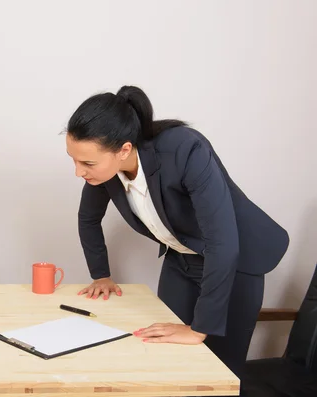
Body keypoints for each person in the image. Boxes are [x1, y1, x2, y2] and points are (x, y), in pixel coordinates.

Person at [66, 85, 289, 379]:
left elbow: (222, 241)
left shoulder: (184, 149)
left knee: (219, 374)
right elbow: (88, 218)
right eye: (74, 160)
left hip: (236, 262)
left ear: (124, 150)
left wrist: (199, 329)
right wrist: (101, 275)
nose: (78, 171)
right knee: (164, 358)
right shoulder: (105, 172)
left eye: (87, 163)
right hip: (181, 260)